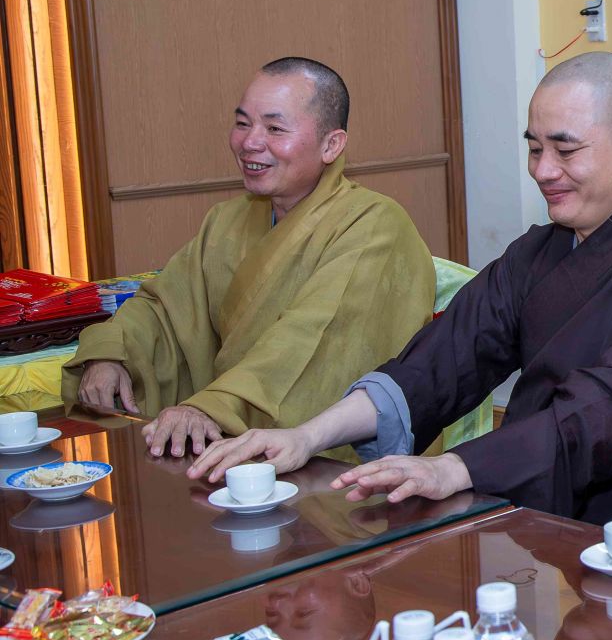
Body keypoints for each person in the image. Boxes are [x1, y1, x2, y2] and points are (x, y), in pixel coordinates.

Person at [191, 52, 612, 529]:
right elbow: (440, 361)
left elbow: (606, 414)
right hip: (525, 509)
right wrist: (307, 437)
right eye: (534, 149)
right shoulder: (535, 254)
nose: (543, 171)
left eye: (566, 150)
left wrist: (456, 467)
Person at [62, 57, 434, 460]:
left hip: (324, 463)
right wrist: (112, 353)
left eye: (274, 128)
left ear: (331, 145)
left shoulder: (375, 225)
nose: (250, 142)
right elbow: (164, 308)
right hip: (227, 443)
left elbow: (309, 345)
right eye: (242, 123)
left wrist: (211, 407)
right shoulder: (227, 221)